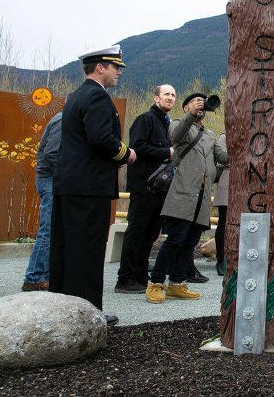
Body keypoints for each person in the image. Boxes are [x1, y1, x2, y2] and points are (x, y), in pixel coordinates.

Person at [51, 45, 136, 327]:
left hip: (70, 184)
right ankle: (88, 315)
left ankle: (63, 310)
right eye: (115, 67)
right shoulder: (98, 98)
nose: (119, 72)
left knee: (67, 250)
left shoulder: (76, 96)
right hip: (89, 188)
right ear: (100, 67)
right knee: (87, 253)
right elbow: (100, 139)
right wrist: (127, 154)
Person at [145, 93, 227, 304]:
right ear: (185, 108)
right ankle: (155, 282)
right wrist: (190, 115)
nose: (200, 106)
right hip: (182, 194)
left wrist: (239, 136)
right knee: (175, 239)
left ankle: (177, 283)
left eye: (202, 103)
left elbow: (225, 158)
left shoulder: (209, 134)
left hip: (201, 199)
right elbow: (175, 137)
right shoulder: (178, 124)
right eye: (195, 102)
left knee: (189, 243)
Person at [115, 84, 176, 294]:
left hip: (159, 190)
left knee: (150, 234)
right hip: (143, 187)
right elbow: (138, 147)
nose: (170, 98)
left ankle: (140, 275)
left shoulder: (165, 123)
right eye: (166, 94)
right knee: (136, 232)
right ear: (156, 98)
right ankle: (125, 278)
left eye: (173, 95)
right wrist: (166, 151)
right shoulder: (145, 119)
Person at [22, 111, 62, 292]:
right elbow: (52, 154)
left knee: (53, 228)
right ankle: (34, 277)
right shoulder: (63, 120)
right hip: (50, 178)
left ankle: (45, 274)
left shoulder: (63, 118)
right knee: (48, 228)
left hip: (51, 178)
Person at [212, 132, 228, 276]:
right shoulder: (224, 137)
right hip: (226, 182)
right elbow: (222, 160)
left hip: (246, 182)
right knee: (223, 222)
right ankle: (220, 259)